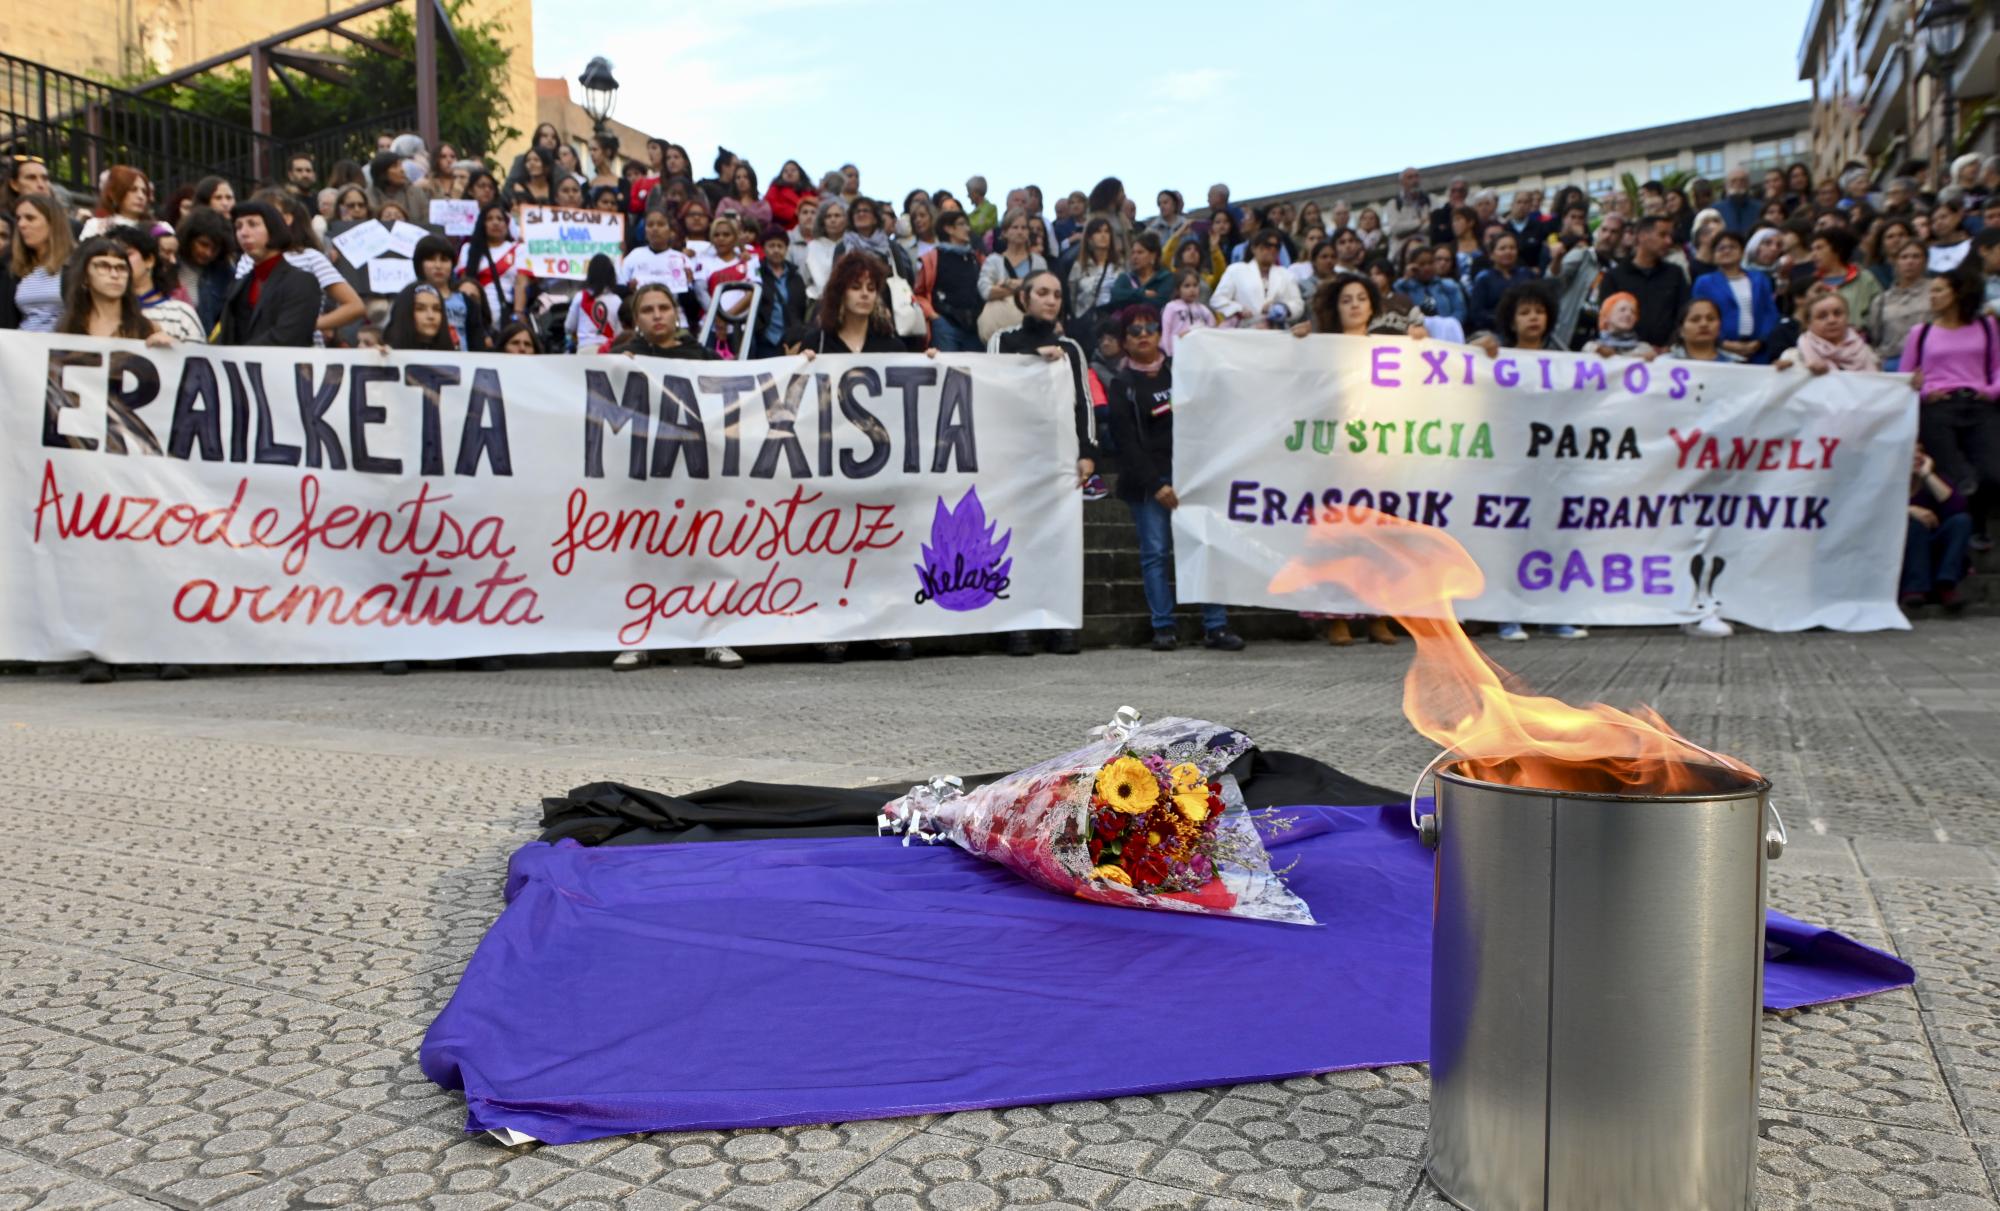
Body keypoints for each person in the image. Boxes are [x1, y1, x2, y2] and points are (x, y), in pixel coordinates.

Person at [1103, 305, 1244, 654]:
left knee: (1204, 546)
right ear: (1124, 342)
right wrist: (1156, 485)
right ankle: (1163, 627)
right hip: (1148, 484)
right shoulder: (1122, 385)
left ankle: (1216, 625)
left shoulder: (1183, 372)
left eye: (1150, 327)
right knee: (1155, 554)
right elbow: (1126, 442)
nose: (1144, 335)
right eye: (1134, 331)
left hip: (1191, 477)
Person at [1901, 267, 2000, 547]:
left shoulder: (1986, 327)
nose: (1932, 296)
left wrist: (1991, 392)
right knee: (1960, 474)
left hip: (1978, 404)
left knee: (1992, 471)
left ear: (1958, 293)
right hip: (1938, 407)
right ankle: (1974, 530)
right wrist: (1925, 393)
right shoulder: (1921, 332)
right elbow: (1907, 377)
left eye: (1939, 290)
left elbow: (1997, 366)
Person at [218, 201, 321, 347]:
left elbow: (288, 337)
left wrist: (239, 356)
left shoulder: (301, 282)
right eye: (238, 226)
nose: (243, 233)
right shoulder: (239, 285)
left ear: (273, 229)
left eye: (253, 224)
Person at [1690, 230, 1779, 363]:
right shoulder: (1705, 282)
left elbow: (1770, 313)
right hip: (1720, 350)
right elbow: (1699, 314)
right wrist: (1722, 342)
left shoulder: (1759, 279)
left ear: (1742, 252)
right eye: (1721, 248)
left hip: (1758, 350)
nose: (1727, 251)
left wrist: (1760, 340)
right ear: (1714, 255)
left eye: (1732, 247)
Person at [1601, 215, 1689, 348]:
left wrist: (1669, 346)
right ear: (1642, 236)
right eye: (1662, 235)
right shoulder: (1614, 277)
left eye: (1670, 236)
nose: (1669, 241)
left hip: (1668, 356)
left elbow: (1684, 314)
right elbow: (1607, 317)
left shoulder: (1675, 274)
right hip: (1623, 354)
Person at [1904, 445, 1971, 614]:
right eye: (1911, 452)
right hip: (1906, 551)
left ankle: (1946, 584)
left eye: (1920, 451)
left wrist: (1926, 475)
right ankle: (1914, 588)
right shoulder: (1887, 484)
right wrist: (1909, 510)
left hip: (1934, 546)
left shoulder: (1935, 480)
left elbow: (1957, 507)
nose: (1916, 456)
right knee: (1916, 524)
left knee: (1961, 521)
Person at [109, 224, 204, 343]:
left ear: (149, 260)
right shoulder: (98, 314)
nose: (117, 262)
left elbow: (198, 360)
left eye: (127, 254)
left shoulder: (182, 314)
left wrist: (175, 349)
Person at [913, 208, 985, 353]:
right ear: (948, 229)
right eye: (962, 224)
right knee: (946, 372)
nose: (967, 229)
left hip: (974, 326)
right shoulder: (932, 258)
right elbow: (919, 293)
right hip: (946, 326)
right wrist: (934, 317)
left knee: (975, 373)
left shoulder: (976, 258)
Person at [1210, 229, 1303, 329]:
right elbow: (1217, 299)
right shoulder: (1236, 270)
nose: (1272, 250)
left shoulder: (1286, 274)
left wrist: (1284, 308)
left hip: (1277, 333)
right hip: (1245, 331)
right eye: (1267, 245)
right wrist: (1238, 310)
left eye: (1276, 247)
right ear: (1254, 248)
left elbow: (1298, 304)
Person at [8, 193, 74, 332]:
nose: (21, 224)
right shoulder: (17, 268)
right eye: (18, 218)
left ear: (53, 223)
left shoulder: (75, 264)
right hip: (22, 346)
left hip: (61, 348)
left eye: (30, 218)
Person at [458, 204, 530, 327]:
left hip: (506, 313)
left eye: (500, 219)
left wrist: (518, 313)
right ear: (482, 224)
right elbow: (465, 284)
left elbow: (521, 284)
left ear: (507, 225)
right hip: (476, 314)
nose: (495, 223)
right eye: (489, 219)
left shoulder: (519, 249)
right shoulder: (468, 249)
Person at [1867, 241, 1933, 370]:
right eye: (1904, 257)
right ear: (1895, 262)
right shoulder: (1881, 300)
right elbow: (1875, 337)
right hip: (1891, 364)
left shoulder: (1935, 291)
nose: (1910, 262)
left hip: (1927, 362)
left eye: (1916, 256)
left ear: (1925, 261)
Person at [745, 225, 807, 359]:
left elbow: (801, 308)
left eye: (780, 246)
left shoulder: (795, 276)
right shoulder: (756, 273)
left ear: (786, 249)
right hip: (765, 341)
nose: (776, 250)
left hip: (791, 341)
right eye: (771, 246)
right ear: (764, 248)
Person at [1778, 292, 1879, 372]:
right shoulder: (1793, 358)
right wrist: (1786, 372)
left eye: (1838, 313)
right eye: (1822, 316)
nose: (1832, 320)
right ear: (1808, 323)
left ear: (1847, 317)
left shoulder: (1867, 353)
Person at [174, 205, 235, 335]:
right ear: (189, 239)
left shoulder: (224, 273)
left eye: (215, 248)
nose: (208, 253)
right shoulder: (169, 266)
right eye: (203, 244)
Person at [1466, 230, 1535, 335]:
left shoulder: (1526, 274)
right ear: (1492, 255)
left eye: (1512, 248)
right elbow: (1477, 313)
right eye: (1502, 248)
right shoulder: (1484, 278)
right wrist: (1507, 320)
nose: (1508, 252)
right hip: (1494, 331)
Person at [1395, 241, 1467, 327]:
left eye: (1430, 263)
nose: (1427, 268)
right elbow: (1396, 292)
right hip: (1418, 332)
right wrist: (1406, 277)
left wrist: (1448, 325)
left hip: (1446, 331)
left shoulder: (1449, 285)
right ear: (1413, 266)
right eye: (1422, 264)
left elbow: (1460, 311)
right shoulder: (1406, 287)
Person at [563, 253, 623, 353]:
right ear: (611, 274)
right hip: (609, 351)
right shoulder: (617, 300)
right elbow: (619, 332)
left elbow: (568, 327)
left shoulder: (580, 297)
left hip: (585, 350)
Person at [1108, 231, 1175, 311]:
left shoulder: (1165, 278)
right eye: (1133, 253)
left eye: (1140, 252)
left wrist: (1128, 297)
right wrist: (1141, 293)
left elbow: (1160, 303)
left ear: (1153, 255)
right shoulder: (1125, 278)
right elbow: (1115, 296)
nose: (1135, 257)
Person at [80, 166, 153, 239]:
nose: (141, 196)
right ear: (115, 194)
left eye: (144, 192)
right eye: (133, 190)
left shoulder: (158, 228)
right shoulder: (95, 226)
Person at [381, 281, 455, 352]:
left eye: (436, 309)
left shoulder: (456, 358)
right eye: (420, 309)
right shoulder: (387, 353)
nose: (431, 316)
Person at [1665, 297, 1742, 363]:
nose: (1704, 324)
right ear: (1681, 330)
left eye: (1710, 319)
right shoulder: (1664, 363)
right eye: (1695, 320)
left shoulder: (1735, 364)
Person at [1160, 270, 1216, 356]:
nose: (1192, 290)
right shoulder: (1171, 307)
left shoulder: (1202, 309)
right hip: (1176, 352)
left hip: (1199, 352)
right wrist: (1167, 353)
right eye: (1187, 286)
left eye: (1195, 285)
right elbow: (1166, 331)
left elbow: (1212, 329)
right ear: (1178, 289)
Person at [802, 197, 846, 301]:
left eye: (837, 215)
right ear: (822, 220)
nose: (833, 220)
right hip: (818, 301)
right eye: (828, 216)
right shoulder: (813, 246)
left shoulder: (852, 245)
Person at [1929, 200, 1973, 273]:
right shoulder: (1929, 251)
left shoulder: (1971, 246)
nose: (1938, 223)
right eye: (1934, 220)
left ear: (1957, 217)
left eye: (1943, 217)